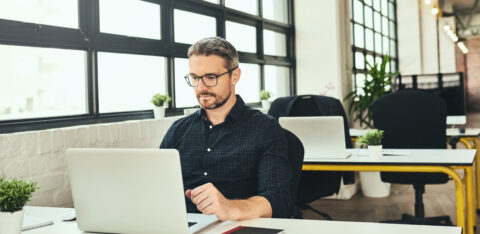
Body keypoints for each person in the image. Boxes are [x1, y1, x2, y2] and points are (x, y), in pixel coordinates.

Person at [160, 37, 291, 221]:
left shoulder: (265, 129)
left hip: (239, 226)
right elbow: (158, 188)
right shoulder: (178, 130)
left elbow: (278, 199)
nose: (201, 87)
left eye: (211, 77)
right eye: (195, 78)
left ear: (234, 76)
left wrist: (231, 208)